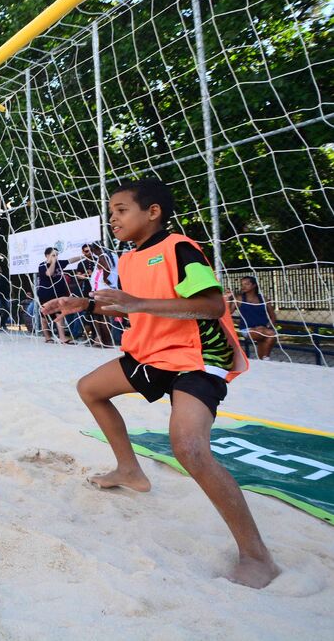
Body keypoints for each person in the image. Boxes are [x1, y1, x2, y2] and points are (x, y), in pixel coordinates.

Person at [43, 177, 276, 588]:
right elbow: (134, 311)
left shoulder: (179, 249)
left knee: (188, 448)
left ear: (152, 212)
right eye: (111, 211)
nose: (112, 218)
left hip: (196, 358)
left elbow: (210, 305)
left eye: (121, 210)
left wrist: (136, 303)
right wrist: (86, 304)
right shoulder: (129, 258)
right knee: (90, 388)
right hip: (152, 353)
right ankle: (130, 470)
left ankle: (257, 557)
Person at [37, 246, 86, 343]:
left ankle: (62, 337)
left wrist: (83, 256)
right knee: (45, 317)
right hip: (45, 294)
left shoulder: (60, 263)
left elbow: (70, 260)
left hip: (58, 294)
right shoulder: (42, 265)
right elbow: (49, 274)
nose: (56, 257)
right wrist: (53, 262)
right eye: (53, 255)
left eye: (57, 255)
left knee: (60, 314)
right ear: (47, 256)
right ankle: (47, 337)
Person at [231, 275, 278, 360]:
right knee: (267, 334)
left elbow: (272, 315)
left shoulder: (262, 299)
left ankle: (263, 359)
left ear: (254, 285)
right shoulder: (239, 299)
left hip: (264, 328)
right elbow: (228, 313)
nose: (243, 286)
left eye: (247, 284)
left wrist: (269, 326)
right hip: (247, 329)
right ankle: (265, 358)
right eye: (242, 284)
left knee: (270, 335)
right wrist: (236, 321)